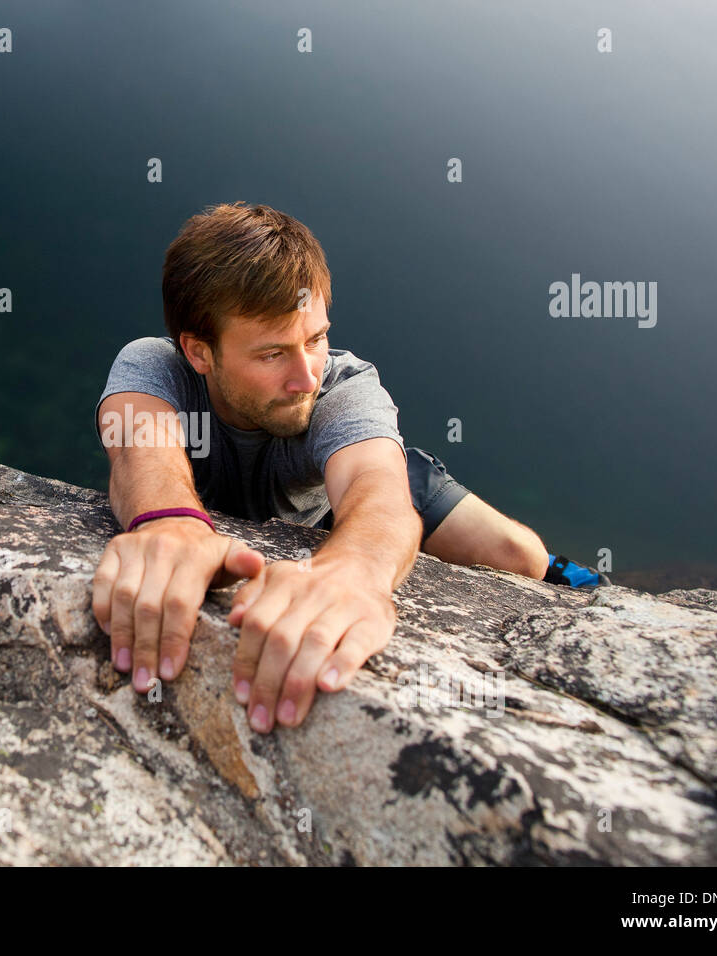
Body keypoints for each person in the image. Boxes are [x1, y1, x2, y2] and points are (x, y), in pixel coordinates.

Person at [91, 202, 606, 735]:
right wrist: (170, 522)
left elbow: (375, 487)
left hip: (363, 486)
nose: (306, 376)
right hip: (325, 488)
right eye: (272, 354)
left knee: (516, 555)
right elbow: (139, 447)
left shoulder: (344, 386)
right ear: (200, 352)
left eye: (315, 340)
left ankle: (590, 585)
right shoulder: (155, 364)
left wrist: (356, 571)